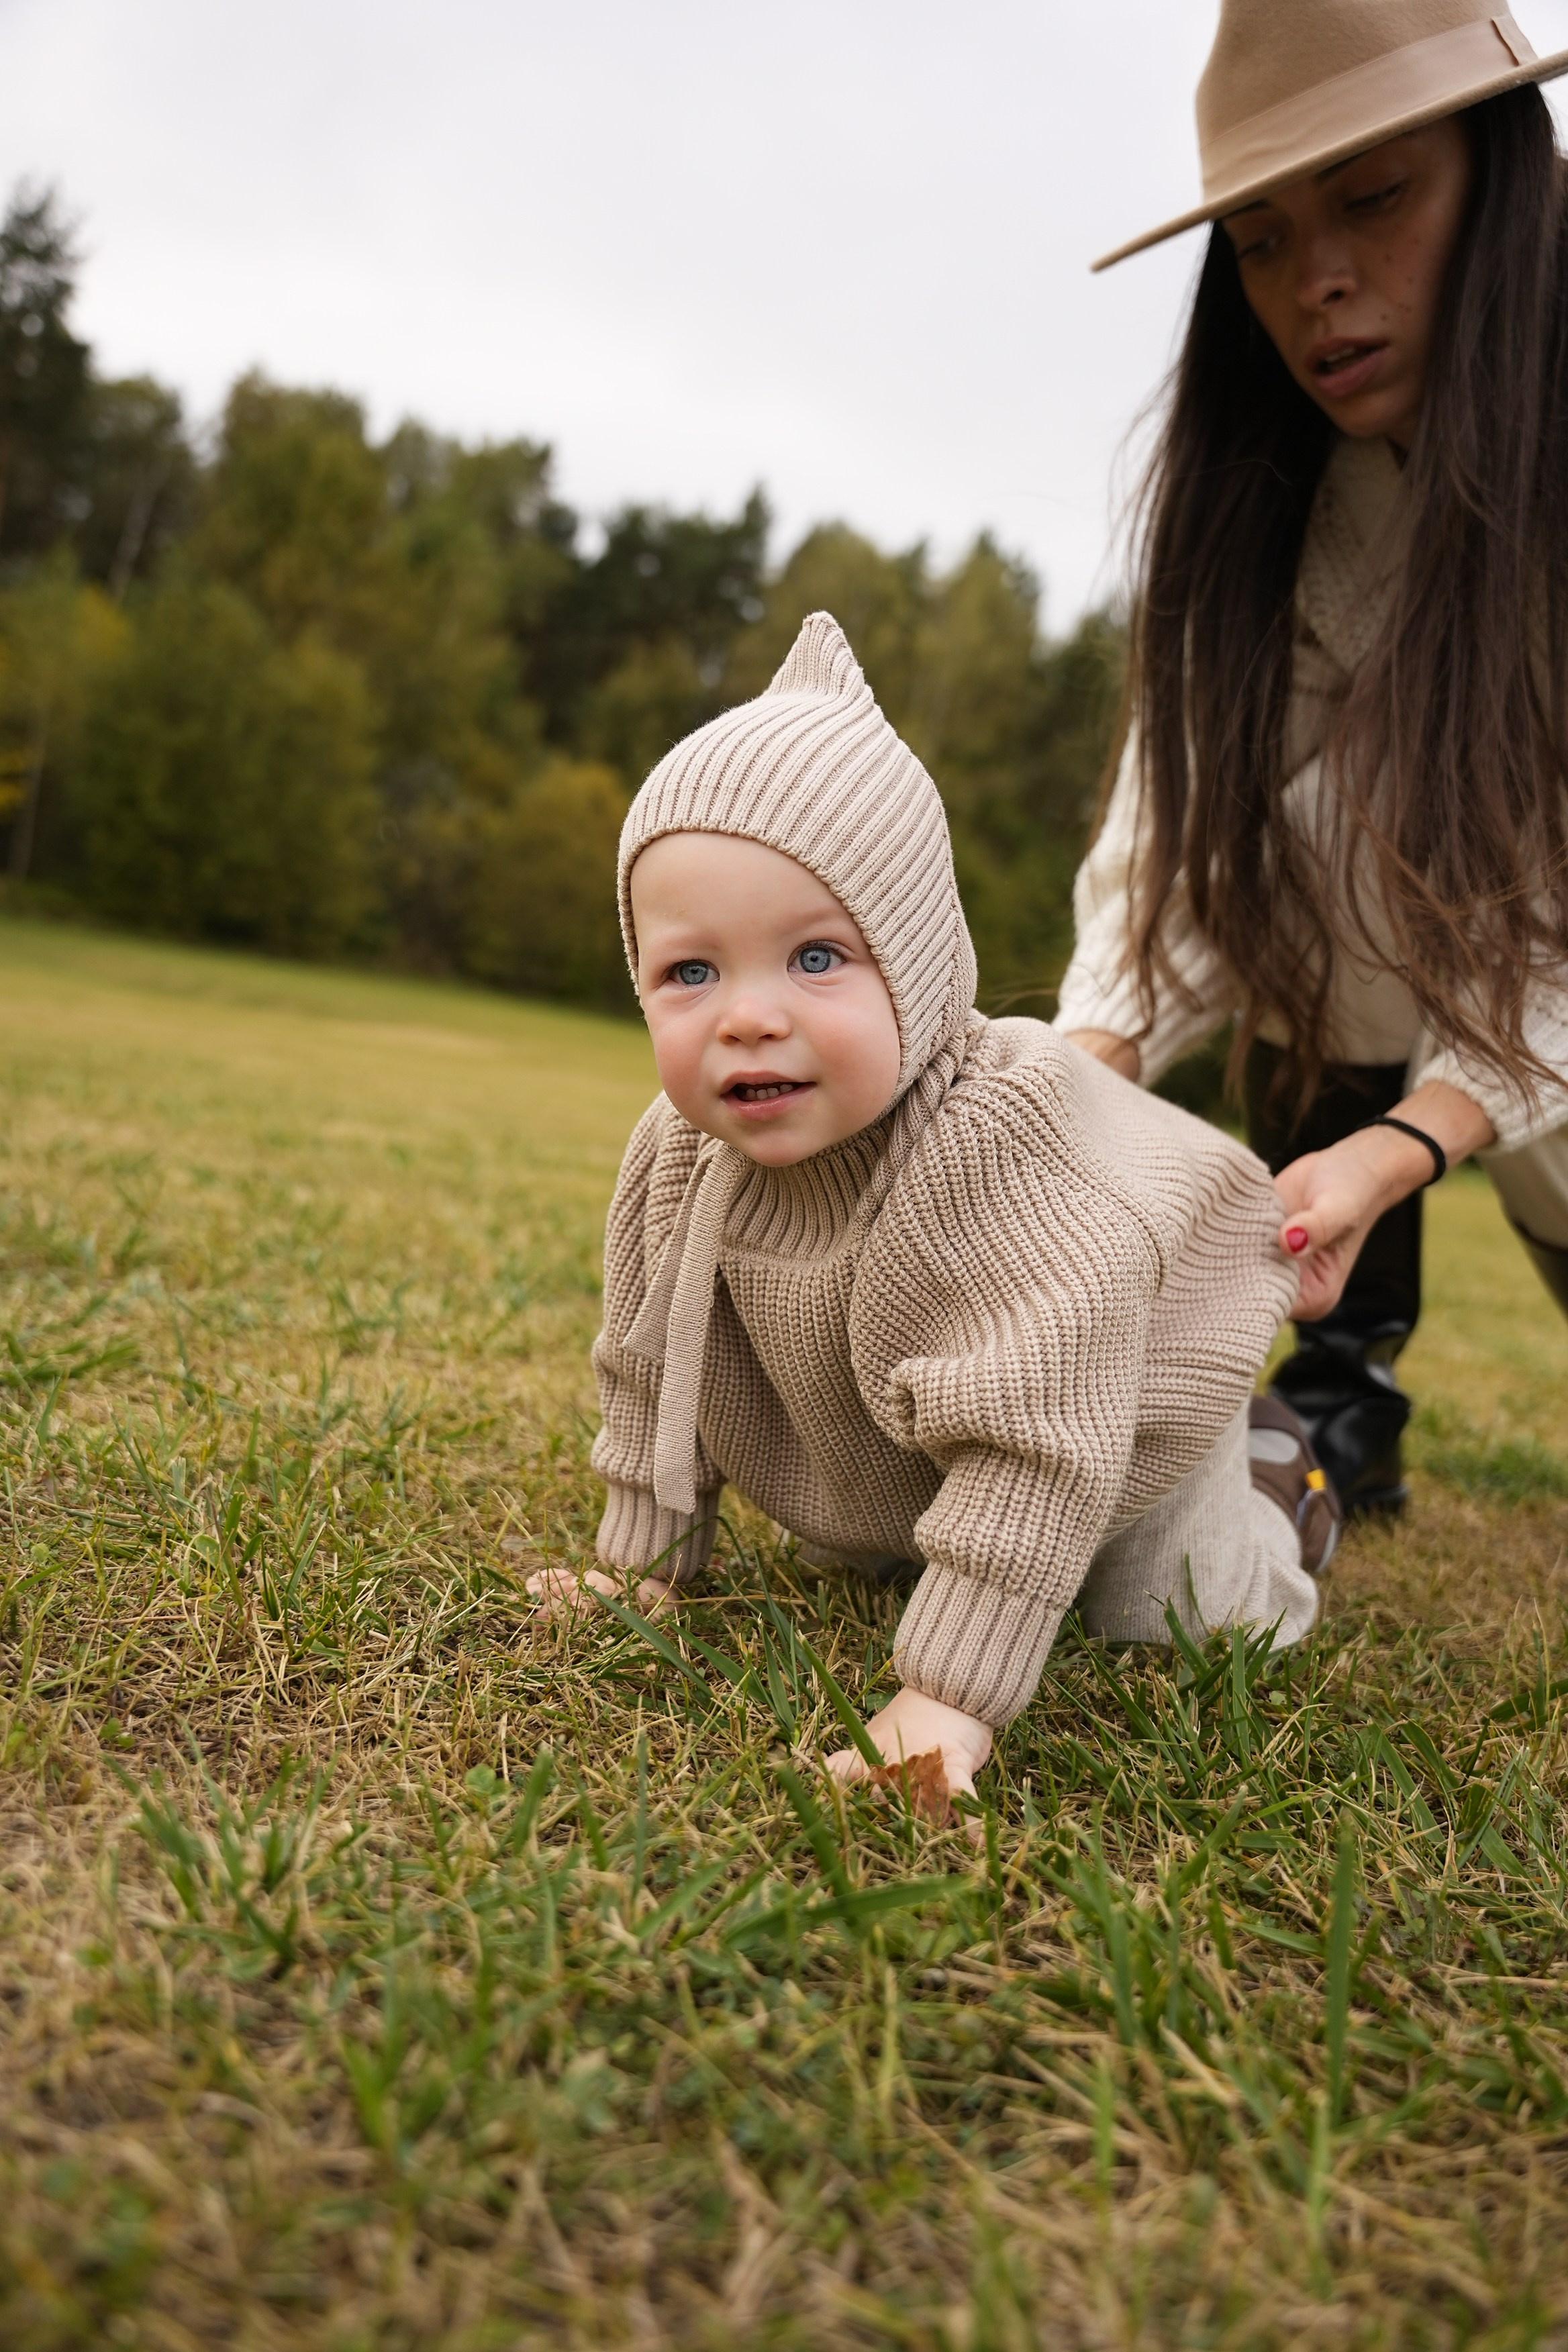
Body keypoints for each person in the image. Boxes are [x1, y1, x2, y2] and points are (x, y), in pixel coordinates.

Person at [528, 611, 1337, 1809]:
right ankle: (926, 1524)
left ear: (914, 963)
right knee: (867, 1550)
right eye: (691, 972)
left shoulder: (996, 1152)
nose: (747, 1016)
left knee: (1173, 1621)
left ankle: (1280, 1475)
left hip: (1122, 1377)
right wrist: (643, 1566)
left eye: (815, 959)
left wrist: (947, 1697)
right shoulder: (675, 1156)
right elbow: (653, 1364)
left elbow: (1037, 1447)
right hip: (925, 1417)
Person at [1057, 0, 1568, 1513]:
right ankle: (1337, 1400)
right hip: (1501, 1072)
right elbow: (1181, 839)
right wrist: (1076, 1082)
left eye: (1373, 197)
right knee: (1321, 818)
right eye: (1262, 238)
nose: (1316, 282)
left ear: (1500, 175)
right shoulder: (1291, 492)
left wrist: (1408, 1142)